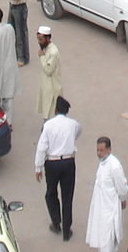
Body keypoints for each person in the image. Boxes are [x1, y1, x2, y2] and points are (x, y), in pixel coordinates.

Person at [35, 96, 82, 237]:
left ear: (55, 110)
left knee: (51, 193)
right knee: (68, 196)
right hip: (68, 162)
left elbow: (42, 147)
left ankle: (56, 223)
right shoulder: (74, 124)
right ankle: (67, 231)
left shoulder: (48, 125)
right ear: (67, 111)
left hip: (52, 163)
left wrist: (38, 167)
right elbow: (78, 133)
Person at [85, 136, 128, 252]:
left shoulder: (114, 166)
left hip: (109, 213)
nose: (99, 153)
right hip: (101, 210)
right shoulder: (103, 163)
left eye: (101, 150)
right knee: (102, 242)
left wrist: (123, 199)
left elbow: (122, 187)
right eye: (97, 150)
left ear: (109, 150)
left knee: (107, 243)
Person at [6, 0, 32, 64]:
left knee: (21, 33)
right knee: (11, 31)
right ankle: (15, 54)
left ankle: (23, 57)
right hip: (12, 6)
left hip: (20, 7)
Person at [34, 24, 63, 116]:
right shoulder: (45, 48)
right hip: (46, 85)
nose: (39, 42)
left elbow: (48, 70)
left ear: (47, 39)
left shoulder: (53, 52)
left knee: (51, 112)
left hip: (52, 87)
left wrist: (42, 57)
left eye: (41, 39)